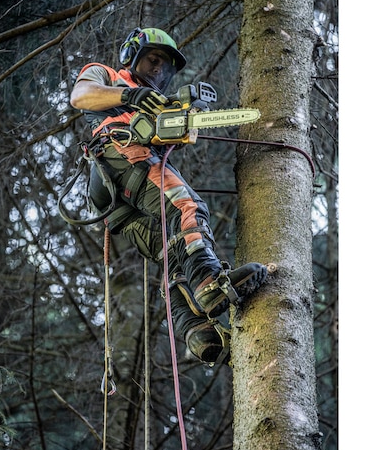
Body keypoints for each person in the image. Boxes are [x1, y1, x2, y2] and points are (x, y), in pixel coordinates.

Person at [70, 27, 268, 365]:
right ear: (133, 54)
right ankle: (208, 279)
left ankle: (195, 329)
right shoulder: (107, 76)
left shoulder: (155, 104)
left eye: (166, 65)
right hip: (121, 160)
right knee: (187, 206)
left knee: (171, 248)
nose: (159, 69)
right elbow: (80, 96)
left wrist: (182, 114)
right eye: (153, 59)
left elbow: (165, 133)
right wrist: (128, 97)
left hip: (118, 201)